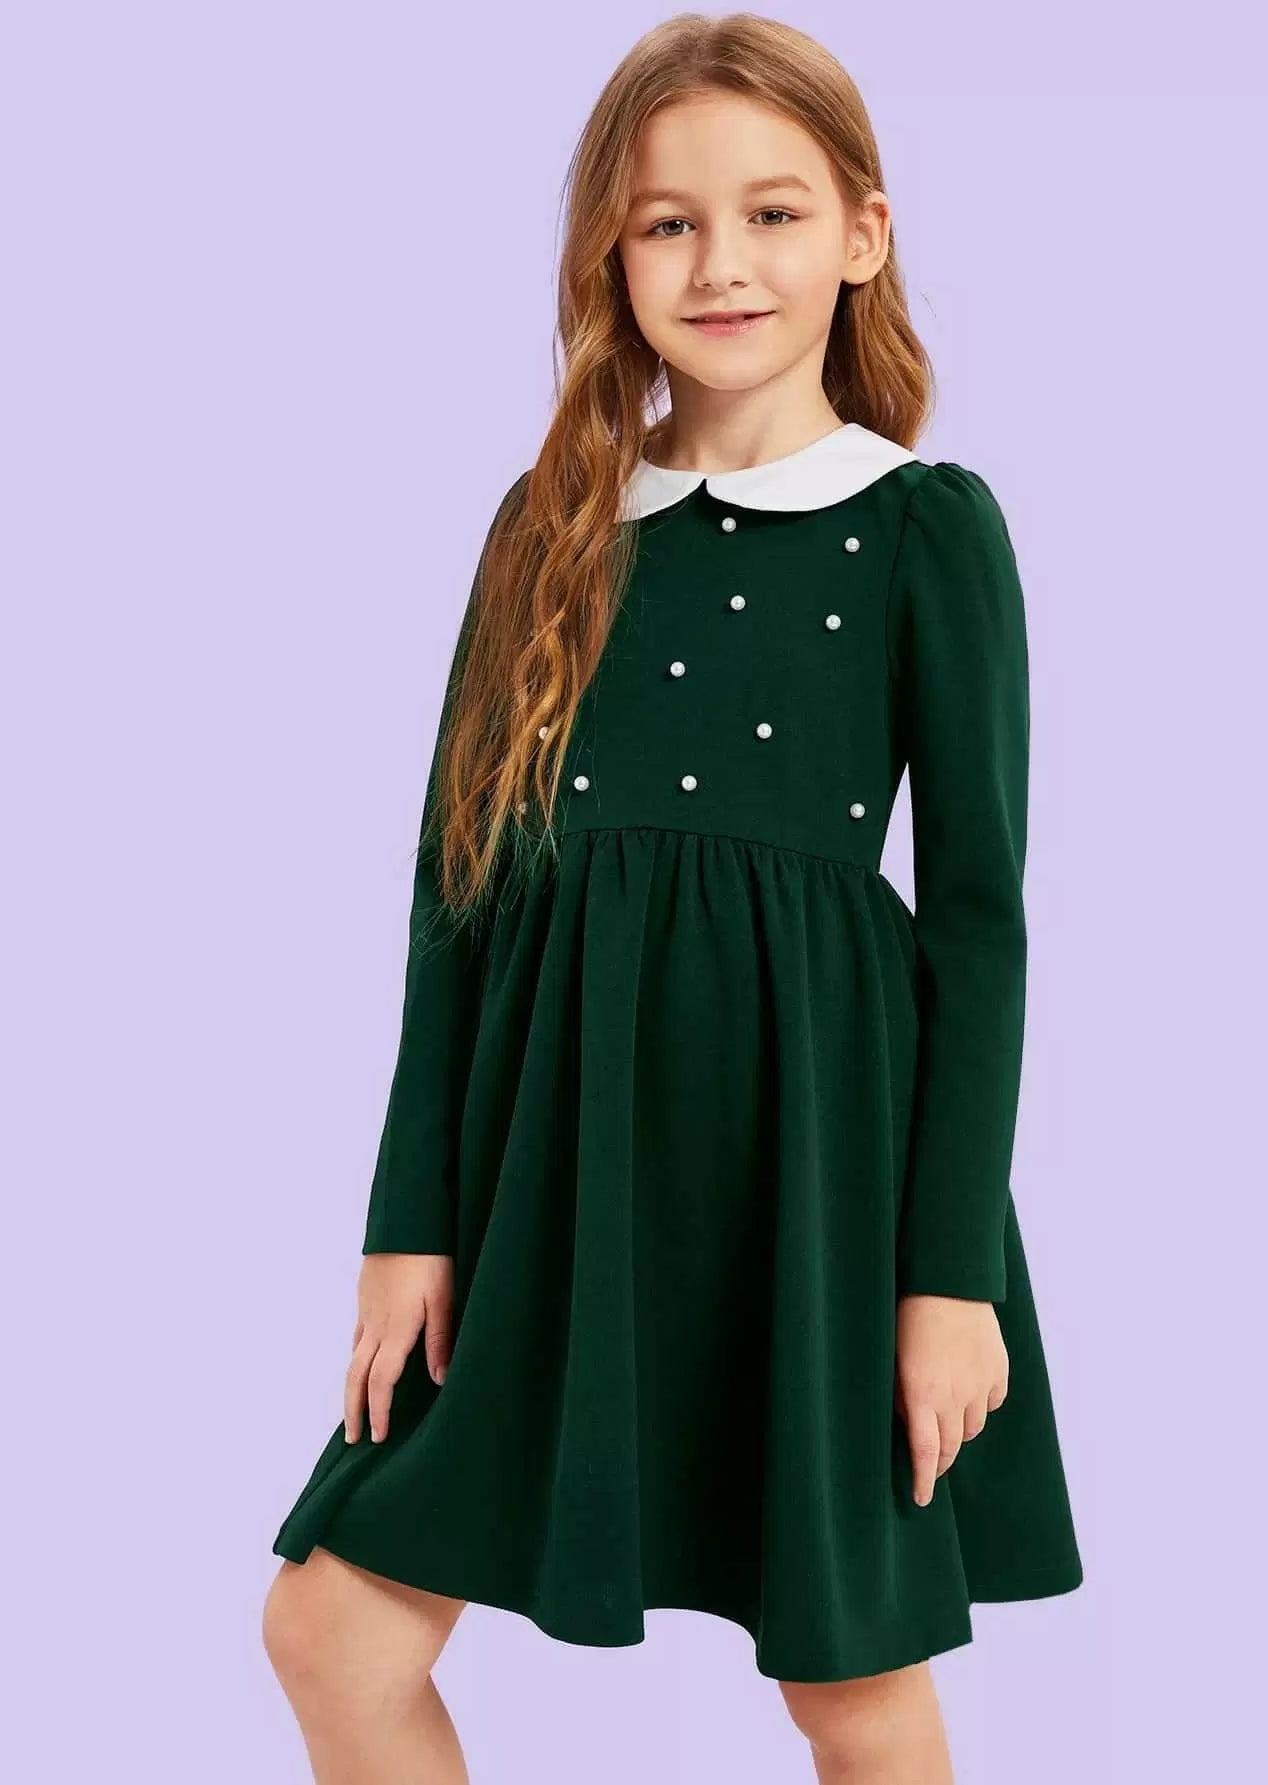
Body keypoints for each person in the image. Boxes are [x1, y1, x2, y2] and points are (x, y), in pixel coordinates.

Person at [261, 13, 1083, 1781]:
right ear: (611, 256)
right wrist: (409, 1221)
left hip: (820, 1178)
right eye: (669, 223)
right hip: (550, 1163)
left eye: (772, 213)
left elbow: (981, 923)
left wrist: (949, 1280)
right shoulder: (547, 527)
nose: (723, 264)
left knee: (849, 1685)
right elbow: (455, 893)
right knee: (330, 1626)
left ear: (860, 233)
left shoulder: (924, 528)